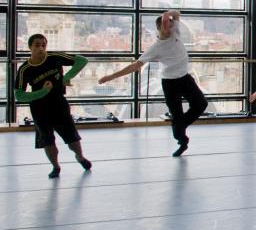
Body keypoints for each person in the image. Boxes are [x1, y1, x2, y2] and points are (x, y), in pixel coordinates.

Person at [100, 10, 207, 156]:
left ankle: (179, 126)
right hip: (170, 84)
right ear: (159, 29)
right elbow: (135, 66)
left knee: (201, 104)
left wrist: (168, 13)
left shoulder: (175, 31)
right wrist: (111, 76)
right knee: (177, 115)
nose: (169, 28)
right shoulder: (155, 48)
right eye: (166, 26)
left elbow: (176, 14)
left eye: (170, 25)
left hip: (185, 78)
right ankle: (182, 140)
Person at [15, 34, 92, 178]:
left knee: (71, 136)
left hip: (58, 103)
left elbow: (82, 60)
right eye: (37, 45)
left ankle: (80, 157)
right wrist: (42, 92)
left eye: (43, 45)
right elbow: (19, 95)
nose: (41, 48)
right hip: (39, 108)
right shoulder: (25, 69)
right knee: (47, 139)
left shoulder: (55, 57)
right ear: (30, 47)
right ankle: (55, 166)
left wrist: (66, 77)